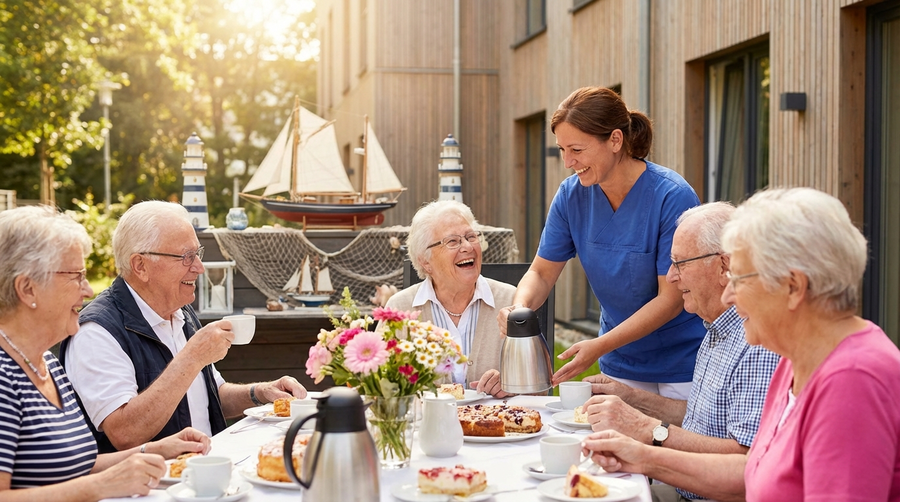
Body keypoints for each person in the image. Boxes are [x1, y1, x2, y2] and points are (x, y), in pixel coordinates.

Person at [583, 188, 900, 502]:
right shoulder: (796, 360)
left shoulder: (854, 380)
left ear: (792, 286)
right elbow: (752, 469)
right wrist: (641, 457)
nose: (730, 295)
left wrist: (649, 437)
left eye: (741, 279)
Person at [498, 86, 706, 399]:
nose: (568, 162)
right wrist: (520, 309)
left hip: (683, 363)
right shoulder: (571, 196)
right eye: (562, 150)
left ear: (615, 140)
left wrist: (599, 346)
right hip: (621, 361)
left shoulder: (671, 197)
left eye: (577, 150)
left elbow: (671, 298)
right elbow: (541, 272)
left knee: (675, 444)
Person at [60, 201, 307, 454]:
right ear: (140, 266)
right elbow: (125, 433)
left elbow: (210, 396)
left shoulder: (179, 311)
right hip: (150, 489)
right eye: (186, 257)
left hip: (202, 474)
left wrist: (260, 392)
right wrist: (191, 358)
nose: (199, 267)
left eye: (197, 254)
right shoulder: (96, 332)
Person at [0, 206, 211, 500]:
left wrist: (153, 450)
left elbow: (73, 468)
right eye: (75, 276)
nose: (87, 290)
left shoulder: (45, 363)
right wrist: (100, 487)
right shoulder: (4, 377)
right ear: (27, 288)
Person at [581, 202, 780, 502]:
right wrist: (630, 398)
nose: (671, 277)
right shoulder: (715, 327)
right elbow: (703, 421)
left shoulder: (755, 343)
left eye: (680, 263)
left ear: (723, 266)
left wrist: (648, 431)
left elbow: (746, 459)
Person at [385, 200, 516, 397]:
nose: (467, 247)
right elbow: (382, 386)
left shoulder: (511, 301)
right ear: (425, 261)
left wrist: (512, 384)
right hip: (426, 426)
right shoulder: (399, 309)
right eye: (452, 241)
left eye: (471, 237)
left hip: (495, 425)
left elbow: (541, 387)